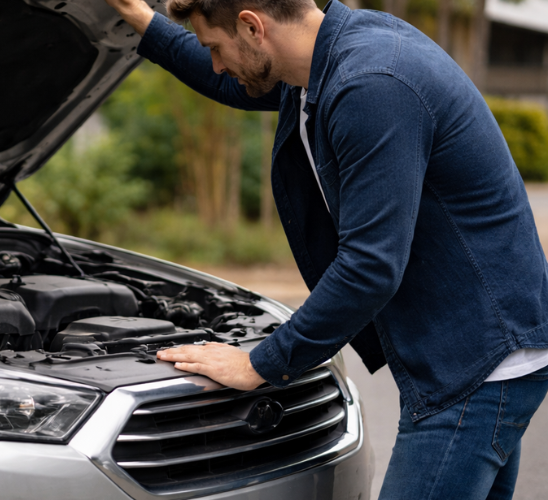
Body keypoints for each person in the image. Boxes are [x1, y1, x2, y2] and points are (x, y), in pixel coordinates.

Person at [102, 0, 548, 496]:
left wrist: (260, 364)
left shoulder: (372, 85)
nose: (215, 63)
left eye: (216, 47)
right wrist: (140, 18)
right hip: (479, 343)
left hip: (475, 361)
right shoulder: (325, 59)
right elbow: (232, 81)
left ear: (253, 26)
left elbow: (370, 268)